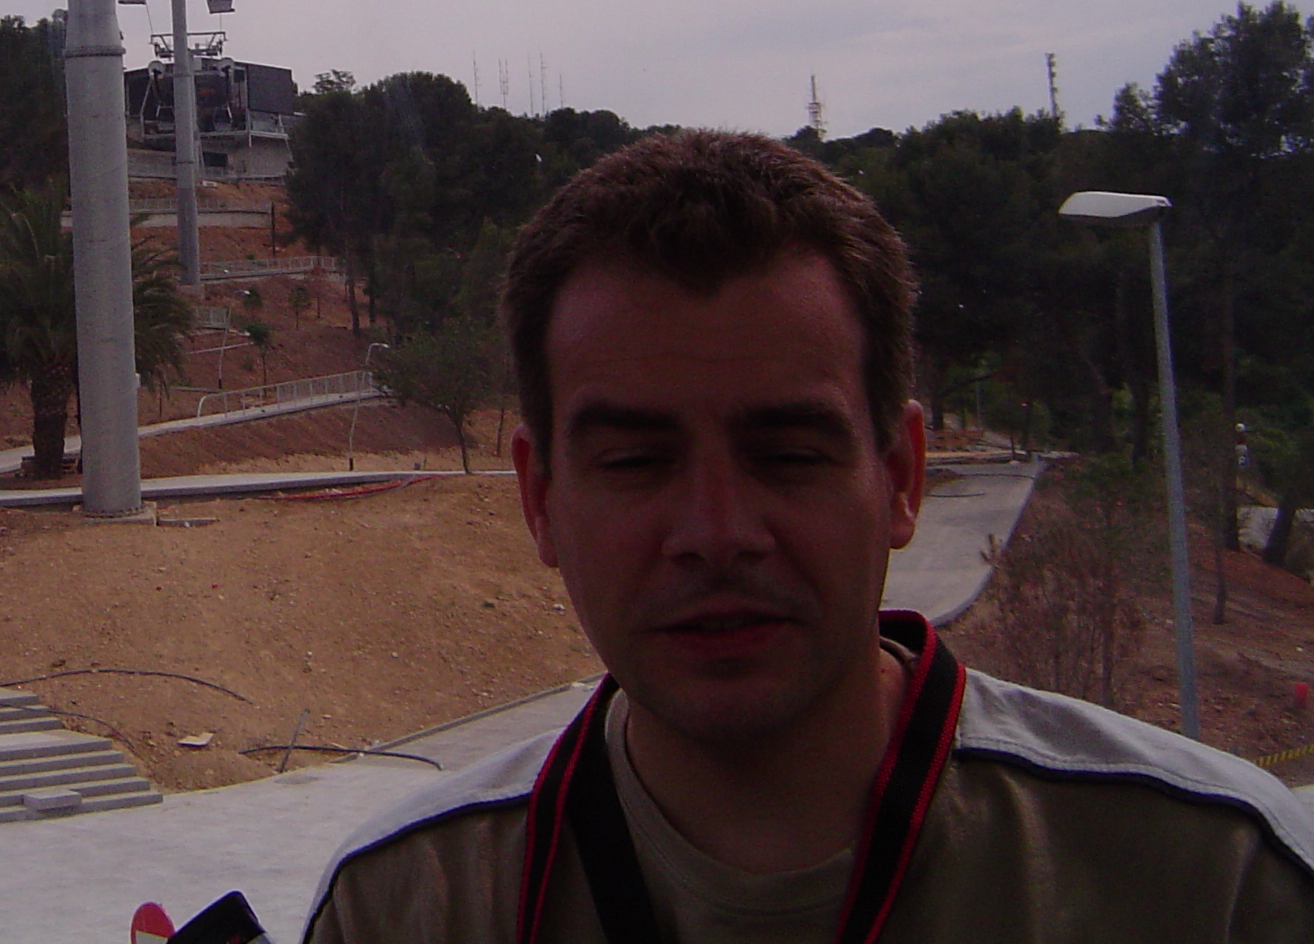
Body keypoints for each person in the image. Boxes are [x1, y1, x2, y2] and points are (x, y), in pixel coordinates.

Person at [305, 130, 1314, 943]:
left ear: (901, 477)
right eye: (636, 462)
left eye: (787, 455)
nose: (716, 534)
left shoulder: (1215, 882)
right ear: (538, 499)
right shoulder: (403, 908)